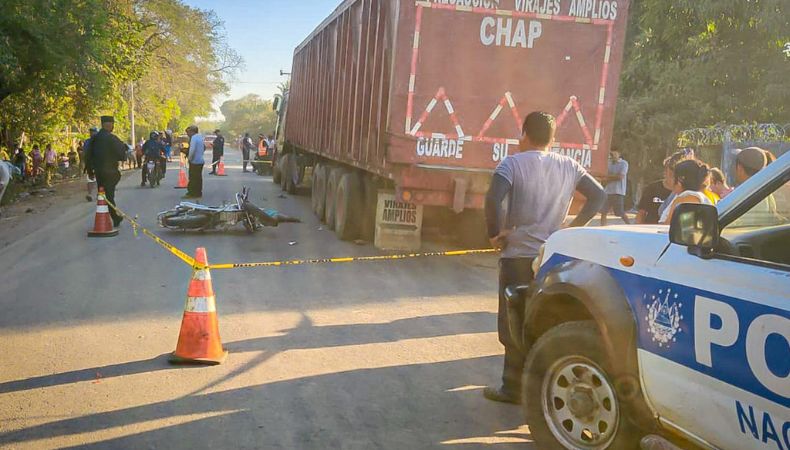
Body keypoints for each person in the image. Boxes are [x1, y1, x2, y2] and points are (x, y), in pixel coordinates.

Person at [483, 111, 606, 404]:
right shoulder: (569, 165)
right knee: (544, 319)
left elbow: (492, 198)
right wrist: (572, 229)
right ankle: (541, 390)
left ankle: (512, 388)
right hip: (552, 258)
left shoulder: (511, 163)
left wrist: (494, 233)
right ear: (552, 138)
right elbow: (599, 196)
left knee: (513, 321)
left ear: (524, 134)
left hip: (517, 257)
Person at [85, 116, 127, 227]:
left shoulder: (94, 139)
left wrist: (90, 171)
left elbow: (87, 155)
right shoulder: (112, 138)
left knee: (104, 194)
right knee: (108, 195)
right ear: (109, 125)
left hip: (99, 172)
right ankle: (113, 217)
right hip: (111, 172)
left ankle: (112, 216)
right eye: (112, 125)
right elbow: (122, 155)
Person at [659, 159, 713, 224]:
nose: (671, 181)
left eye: (673, 177)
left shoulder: (686, 200)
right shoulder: (699, 197)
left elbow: (669, 227)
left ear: (679, 180)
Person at [656, 149, 695, 221]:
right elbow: (661, 211)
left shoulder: (689, 198)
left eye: (672, 175)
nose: (670, 179)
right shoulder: (677, 194)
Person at [599, 149, 631, 225]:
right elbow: (604, 176)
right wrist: (605, 178)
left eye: (614, 153)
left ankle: (629, 225)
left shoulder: (623, 163)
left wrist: (607, 177)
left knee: (620, 212)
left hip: (618, 191)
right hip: (608, 191)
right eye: (611, 153)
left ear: (619, 154)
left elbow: (620, 177)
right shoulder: (609, 163)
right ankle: (602, 227)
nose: (612, 155)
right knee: (603, 211)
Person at [184, 125, 205, 198]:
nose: (187, 134)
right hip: (200, 160)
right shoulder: (200, 137)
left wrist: (189, 159)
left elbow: (192, 150)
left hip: (194, 161)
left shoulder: (194, 138)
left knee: (192, 178)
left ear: (192, 131)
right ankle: (198, 192)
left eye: (188, 132)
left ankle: (191, 193)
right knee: (198, 178)